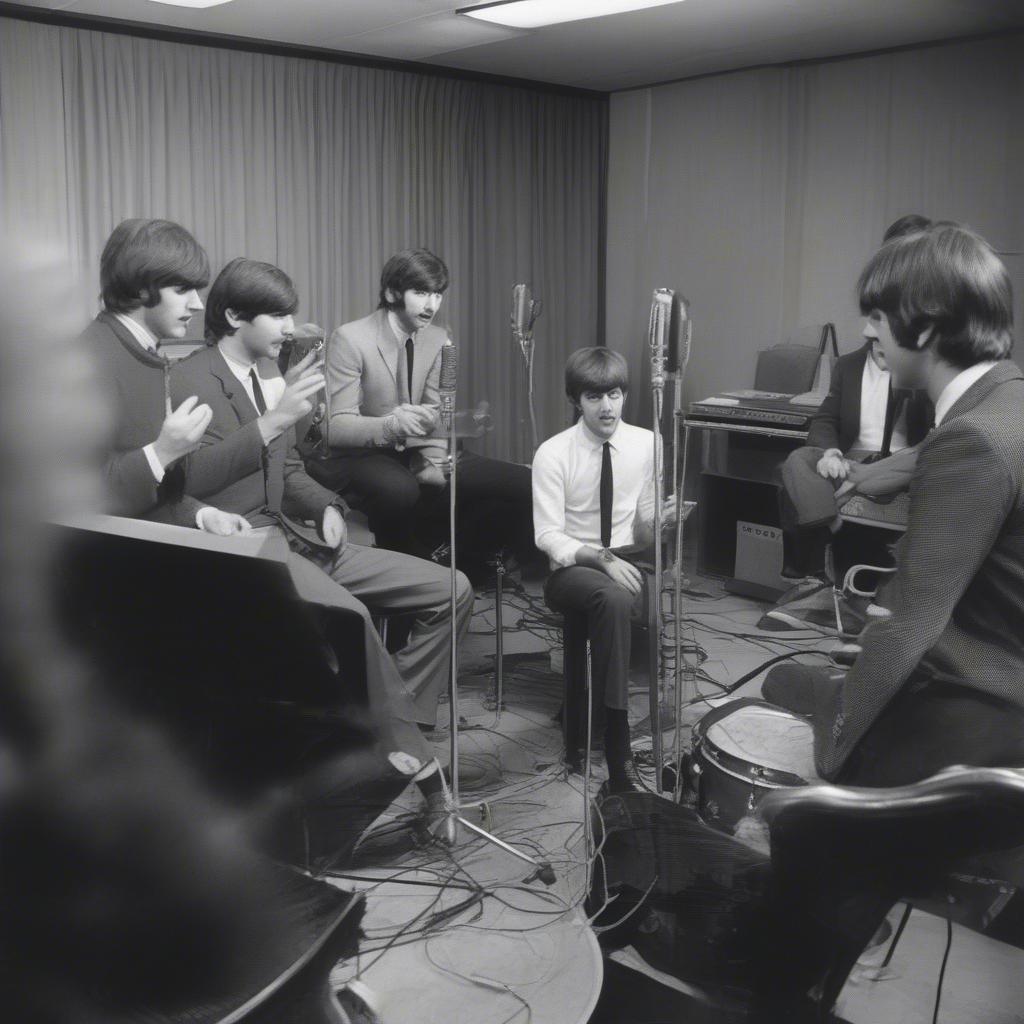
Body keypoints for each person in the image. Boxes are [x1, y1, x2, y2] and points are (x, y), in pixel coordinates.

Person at [170, 257, 475, 828]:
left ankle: (386, 730)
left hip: (300, 537)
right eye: (280, 315)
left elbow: (286, 473)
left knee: (452, 589)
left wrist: (328, 507)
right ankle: (416, 764)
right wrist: (268, 426)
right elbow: (186, 483)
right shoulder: (189, 378)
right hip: (247, 553)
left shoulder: (273, 379)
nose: (292, 328)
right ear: (235, 316)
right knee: (355, 620)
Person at [764, 222, 1024, 785]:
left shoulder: (971, 437)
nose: (866, 330)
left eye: (878, 317)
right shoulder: (1010, 396)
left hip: (989, 697)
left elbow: (912, 625)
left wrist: (835, 754)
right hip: (996, 664)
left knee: (783, 695)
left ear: (925, 328)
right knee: (797, 679)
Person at [312, 248, 536, 582]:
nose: (432, 304)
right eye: (421, 293)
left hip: (421, 447)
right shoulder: (349, 338)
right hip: (364, 454)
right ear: (391, 293)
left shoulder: (442, 340)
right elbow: (336, 427)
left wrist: (433, 461)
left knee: (527, 481)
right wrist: (392, 424)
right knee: (400, 490)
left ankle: (459, 560)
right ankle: (416, 568)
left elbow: (439, 414)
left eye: (437, 294)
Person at [766, 215, 934, 631]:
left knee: (863, 479)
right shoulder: (849, 365)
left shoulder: (927, 366)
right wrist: (832, 453)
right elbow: (824, 418)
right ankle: (819, 564)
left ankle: (826, 580)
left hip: (903, 463)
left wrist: (870, 473)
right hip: (854, 457)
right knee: (796, 463)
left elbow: (933, 438)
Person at [533, 348, 674, 794]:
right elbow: (548, 535)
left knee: (638, 606)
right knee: (613, 599)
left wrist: (663, 521)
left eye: (614, 394)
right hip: (572, 567)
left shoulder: (649, 443)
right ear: (577, 400)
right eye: (595, 397)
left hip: (630, 556)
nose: (607, 407)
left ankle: (587, 722)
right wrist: (600, 559)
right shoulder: (553, 453)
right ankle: (618, 749)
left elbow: (646, 527)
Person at [82, 218, 255, 536]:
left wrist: (202, 515)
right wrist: (163, 451)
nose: (197, 304)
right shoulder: (88, 360)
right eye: (182, 289)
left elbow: (149, 492)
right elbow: (81, 499)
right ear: (140, 288)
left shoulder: (136, 350)